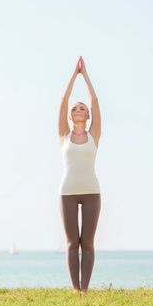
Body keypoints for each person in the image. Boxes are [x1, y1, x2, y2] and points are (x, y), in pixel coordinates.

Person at [58, 56, 101, 293]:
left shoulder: (94, 134)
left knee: (88, 242)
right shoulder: (63, 135)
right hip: (68, 193)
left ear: (87, 115)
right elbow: (64, 100)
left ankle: (85, 289)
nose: (77, 109)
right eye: (75, 108)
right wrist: (73, 75)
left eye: (81, 108)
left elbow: (94, 100)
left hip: (92, 191)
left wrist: (85, 76)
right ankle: (76, 289)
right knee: (73, 243)